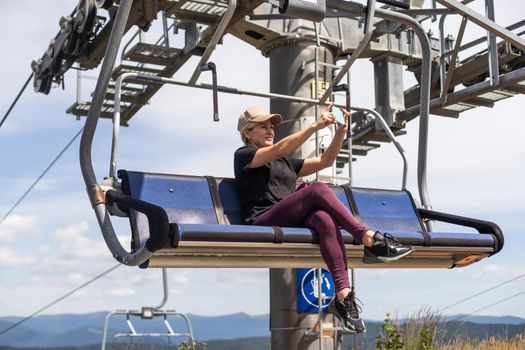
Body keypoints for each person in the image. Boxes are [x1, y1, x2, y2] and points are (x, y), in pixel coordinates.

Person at [233, 105, 414, 333]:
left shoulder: (285, 162)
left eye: (271, 127)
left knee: (324, 219)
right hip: (262, 221)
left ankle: (343, 298)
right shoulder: (244, 156)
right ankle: (368, 238)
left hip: (288, 218)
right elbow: (279, 149)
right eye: (263, 127)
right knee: (317, 188)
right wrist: (315, 126)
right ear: (247, 133)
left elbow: (325, 162)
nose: (270, 131)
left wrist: (340, 132)